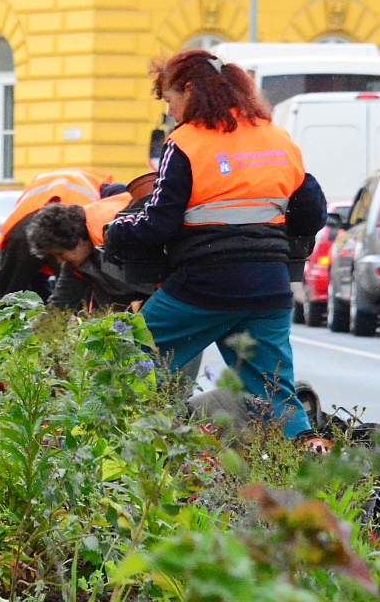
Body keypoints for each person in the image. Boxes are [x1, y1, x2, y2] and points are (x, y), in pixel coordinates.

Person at [104, 49, 328, 442]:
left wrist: (117, 231)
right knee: (275, 393)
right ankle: (311, 456)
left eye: (170, 100)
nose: (171, 112)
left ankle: (129, 453)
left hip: (202, 285)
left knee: (132, 358)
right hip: (269, 287)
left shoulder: (186, 143)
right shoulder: (277, 139)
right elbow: (312, 213)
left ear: (190, 90)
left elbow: (158, 223)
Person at [0, 167, 120, 302]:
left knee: (6, 296)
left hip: (21, 228)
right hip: (68, 229)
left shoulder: (41, 180)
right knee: (74, 296)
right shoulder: (100, 184)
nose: (57, 260)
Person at [25, 189, 156, 313]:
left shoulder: (122, 229)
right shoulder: (77, 264)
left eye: (60, 254)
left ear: (77, 240)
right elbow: (57, 309)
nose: (59, 261)